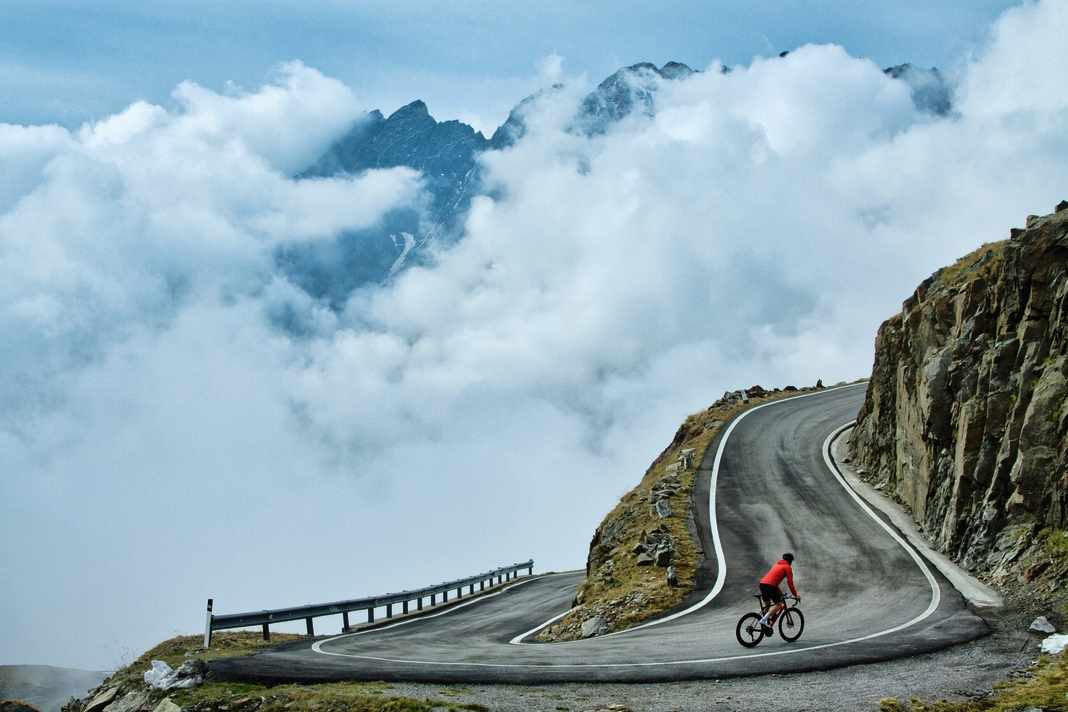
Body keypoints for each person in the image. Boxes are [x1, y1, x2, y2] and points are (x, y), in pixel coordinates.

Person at [758, 552, 799, 634]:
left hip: (762, 584)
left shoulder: (777, 565)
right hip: (770, 586)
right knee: (779, 605)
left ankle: (765, 624)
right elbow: (790, 583)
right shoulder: (787, 567)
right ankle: (763, 620)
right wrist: (796, 595)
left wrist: (780, 593)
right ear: (790, 561)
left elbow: (773, 581)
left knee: (768, 604)